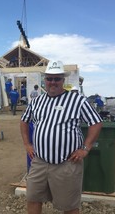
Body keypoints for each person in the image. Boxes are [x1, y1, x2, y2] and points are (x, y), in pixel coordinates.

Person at [20, 60, 102, 214]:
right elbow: (24, 120)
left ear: (63, 80)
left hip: (67, 164)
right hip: (39, 162)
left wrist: (85, 148)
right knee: (33, 198)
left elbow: (96, 122)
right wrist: (27, 144)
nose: (53, 82)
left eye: (57, 78)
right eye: (49, 78)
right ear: (44, 80)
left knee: (69, 205)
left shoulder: (77, 100)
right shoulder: (37, 102)